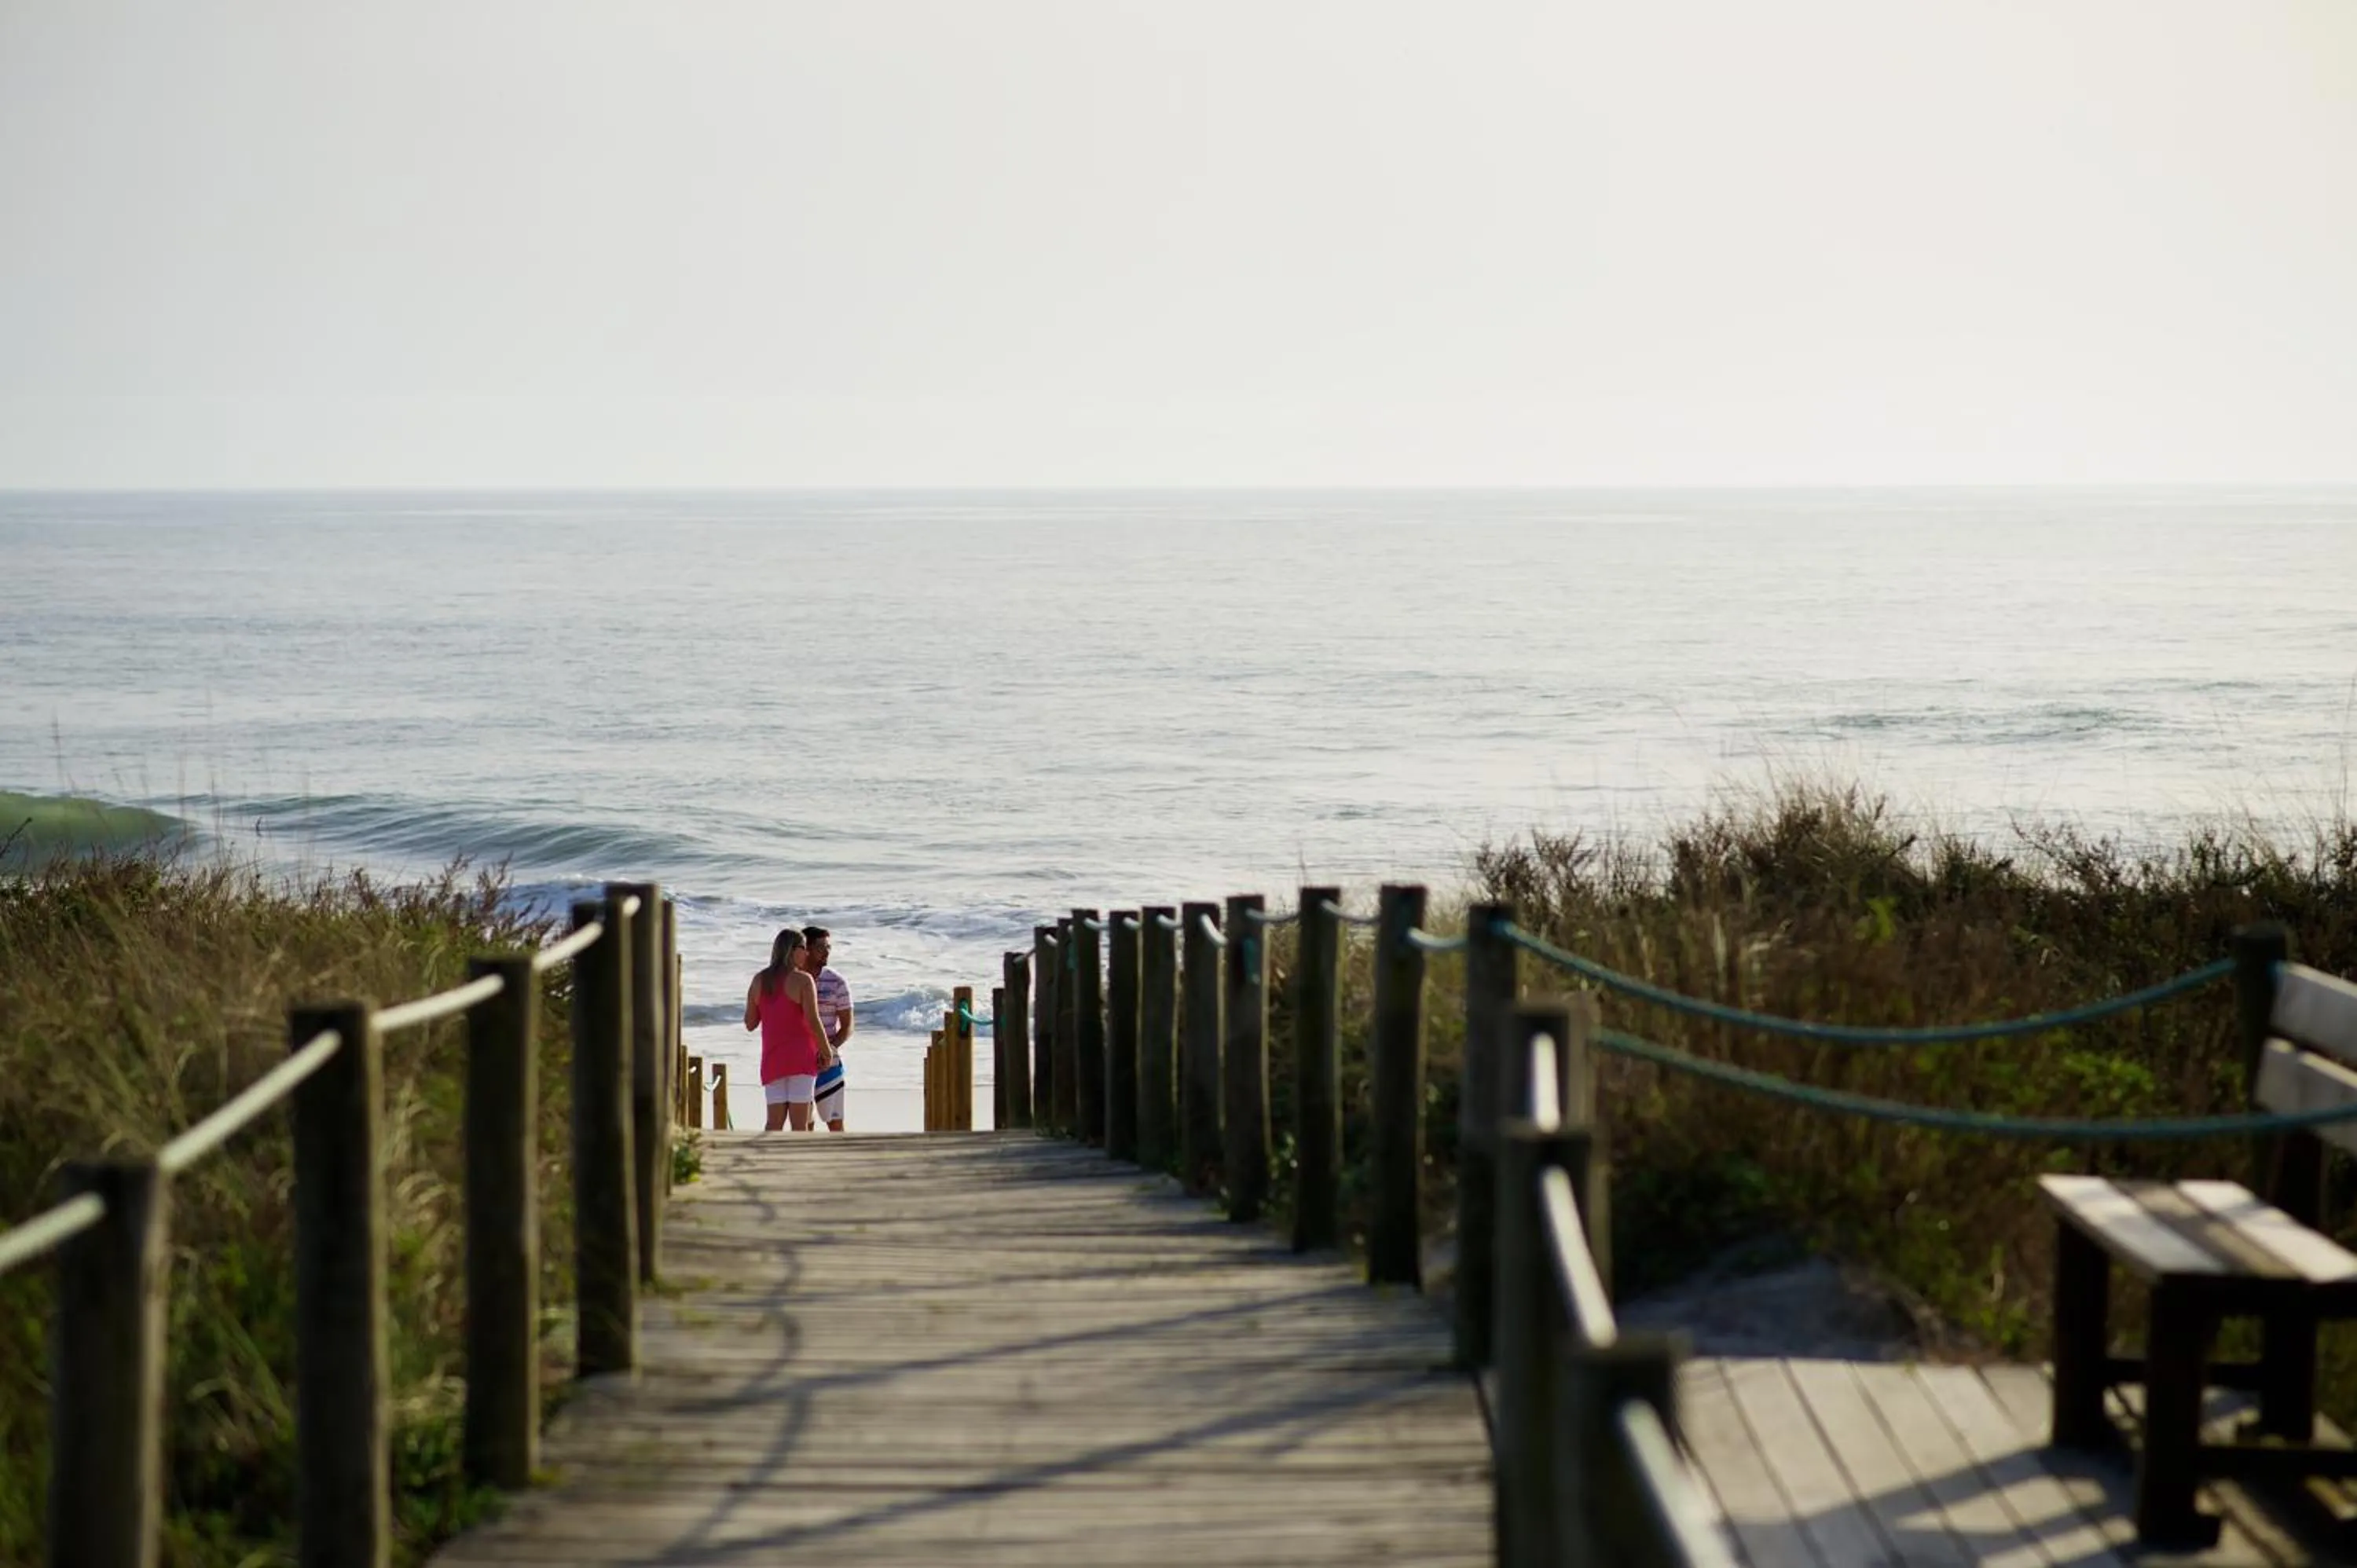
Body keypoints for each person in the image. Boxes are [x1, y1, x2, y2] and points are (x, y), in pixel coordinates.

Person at [743, 928, 834, 1131]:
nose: (807, 953)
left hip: (773, 1059)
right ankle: (796, 1163)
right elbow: (813, 1019)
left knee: (773, 1124)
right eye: (804, 948)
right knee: (799, 1126)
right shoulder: (803, 980)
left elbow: (750, 1023)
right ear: (792, 950)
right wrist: (826, 1051)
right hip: (801, 1058)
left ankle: (766, 1161)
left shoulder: (759, 980)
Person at [804, 925, 854, 1131]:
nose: (826, 952)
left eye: (828, 947)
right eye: (820, 947)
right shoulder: (793, 980)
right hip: (800, 1061)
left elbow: (848, 1026)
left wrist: (829, 1049)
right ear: (805, 949)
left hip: (830, 1064)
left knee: (835, 1123)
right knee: (804, 1123)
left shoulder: (836, 981)